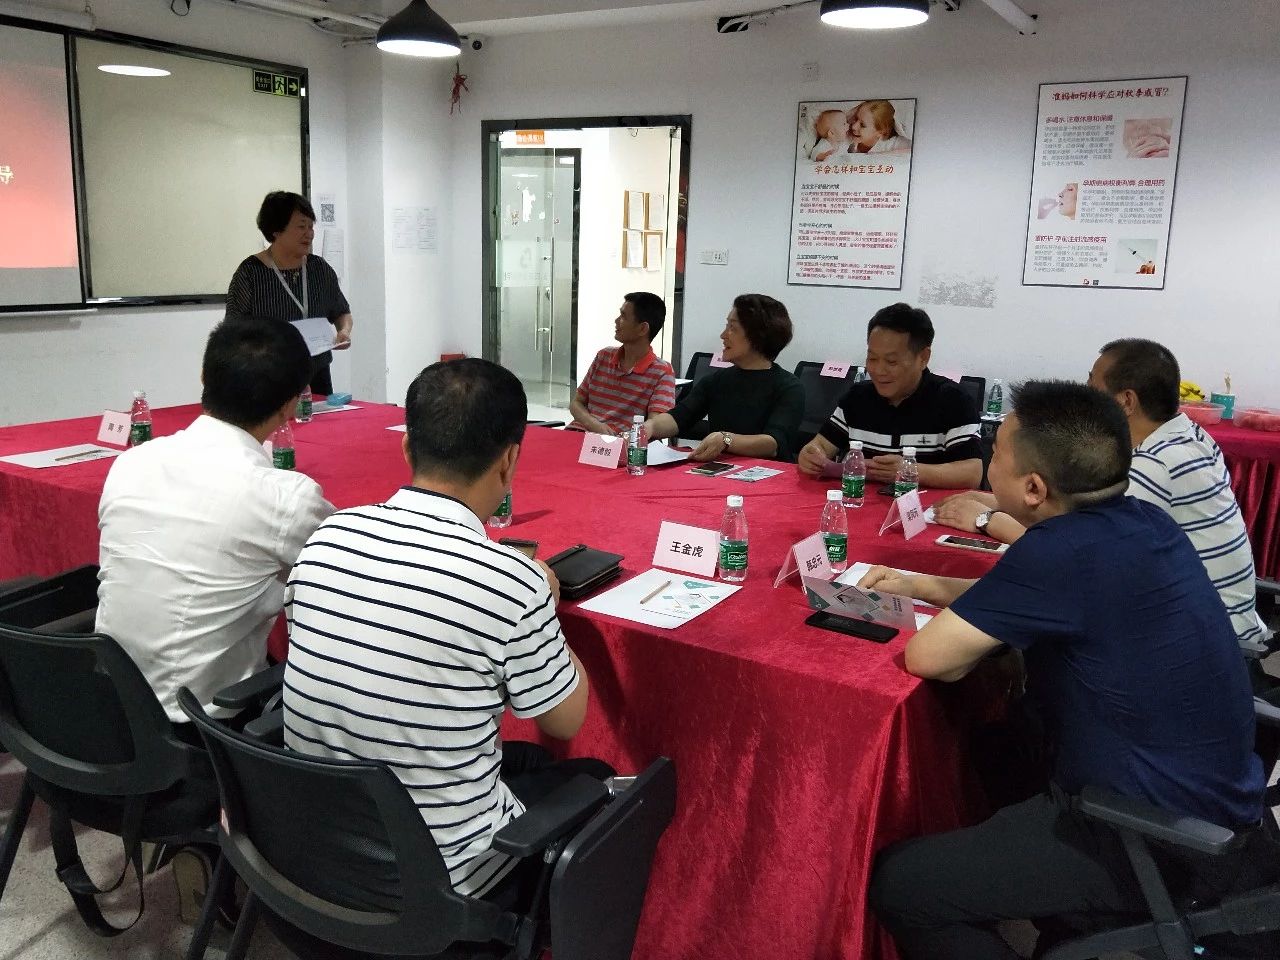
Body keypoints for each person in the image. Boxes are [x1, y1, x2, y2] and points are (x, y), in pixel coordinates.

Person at [863, 381, 1274, 960]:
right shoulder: (1143, 523)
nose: (988, 463)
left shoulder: (1061, 550)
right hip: (1219, 803)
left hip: (1146, 836)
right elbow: (1028, 597)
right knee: (999, 741)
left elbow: (930, 658)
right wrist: (920, 584)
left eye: (996, 454)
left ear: (1033, 488)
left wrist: (930, 605)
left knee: (902, 886)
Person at [282, 358, 612, 903]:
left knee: (524, 760)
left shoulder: (327, 536)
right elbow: (565, 719)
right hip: (440, 884)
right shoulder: (511, 582)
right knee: (594, 776)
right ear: (509, 460)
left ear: (407, 447)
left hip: (309, 847)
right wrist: (544, 600)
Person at [933, 339, 1269, 655]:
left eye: (1092, 382)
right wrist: (995, 500)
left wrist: (986, 520)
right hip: (1210, 615)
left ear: (1125, 401)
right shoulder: (1187, 434)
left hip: (1203, 635)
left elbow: (1074, 556)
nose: (1085, 392)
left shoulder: (1152, 465)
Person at [96, 319, 334, 725]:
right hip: (205, 727)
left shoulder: (131, 462)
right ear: (291, 405)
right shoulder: (283, 498)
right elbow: (344, 578)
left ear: (204, 377)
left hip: (104, 707)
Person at [797, 303, 982, 488]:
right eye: (872, 359)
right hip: (858, 500)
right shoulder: (857, 397)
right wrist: (811, 455)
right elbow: (821, 445)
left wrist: (909, 470)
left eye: (891, 361)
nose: (879, 370)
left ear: (923, 358)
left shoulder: (953, 400)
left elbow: (972, 473)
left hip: (925, 504)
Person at [642, 294, 805, 462]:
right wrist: (650, 427)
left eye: (732, 328)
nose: (723, 335)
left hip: (771, 472)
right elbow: (679, 417)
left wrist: (726, 440)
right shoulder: (717, 380)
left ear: (758, 336)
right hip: (720, 468)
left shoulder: (789, 387)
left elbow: (773, 444)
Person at [225, 190, 353, 395]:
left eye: (311, 226)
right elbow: (232, 331)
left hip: (317, 374)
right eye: (301, 226)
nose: (309, 233)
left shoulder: (319, 269)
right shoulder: (251, 273)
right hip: (269, 377)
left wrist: (343, 331)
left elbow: (341, 312)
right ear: (276, 230)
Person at [568, 292, 677, 435]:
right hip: (578, 434)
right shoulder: (603, 356)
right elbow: (576, 403)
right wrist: (593, 424)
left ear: (643, 329)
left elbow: (654, 425)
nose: (616, 320)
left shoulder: (662, 371)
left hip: (619, 442)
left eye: (623, 316)